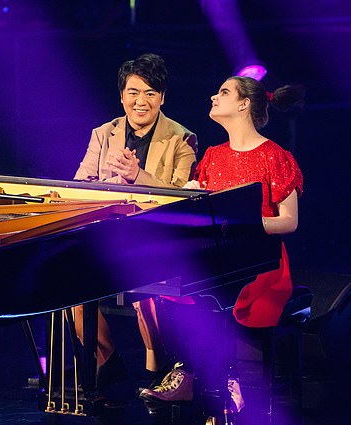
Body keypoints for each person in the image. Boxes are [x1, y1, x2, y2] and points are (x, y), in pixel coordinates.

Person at [139, 76, 305, 407]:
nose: (214, 96)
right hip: (221, 258)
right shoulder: (213, 156)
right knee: (171, 283)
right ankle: (188, 373)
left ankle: (234, 381)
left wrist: (240, 222)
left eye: (224, 92)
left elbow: (289, 221)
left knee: (225, 293)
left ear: (244, 104)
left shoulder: (274, 155)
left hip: (262, 261)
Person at [72, 53, 198, 390]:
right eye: (133, 92)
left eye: (150, 94)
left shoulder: (181, 139)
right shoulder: (103, 134)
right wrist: (109, 185)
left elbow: (181, 198)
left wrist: (137, 175)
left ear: (162, 98)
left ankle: (159, 368)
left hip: (155, 241)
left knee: (146, 288)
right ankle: (108, 362)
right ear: (122, 95)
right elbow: (79, 186)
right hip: (108, 237)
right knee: (68, 287)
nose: (140, 102)